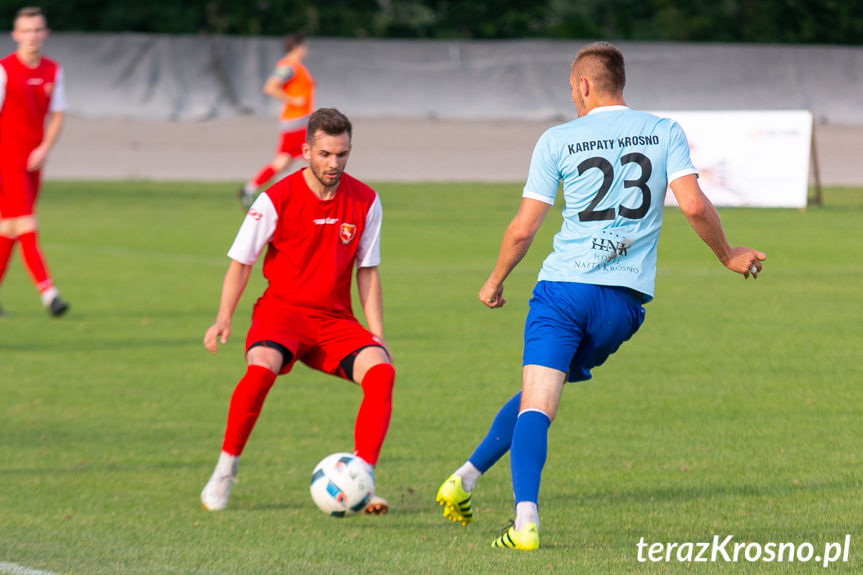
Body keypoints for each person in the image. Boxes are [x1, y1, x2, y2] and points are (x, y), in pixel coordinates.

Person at [435, 42, 766, 550]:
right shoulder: (663, 131)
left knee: (537, 405)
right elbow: (695, 206)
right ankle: (464, 479)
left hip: (563, 292)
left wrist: (495, 279)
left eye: (572, 88)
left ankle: (525, 521)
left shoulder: (557, 140)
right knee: (537, 396)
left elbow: (523, 229)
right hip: (622, 307)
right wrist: (726, 254)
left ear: (584, 85)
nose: (572, 96)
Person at [202, 108, 394, 515]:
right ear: (306, 150)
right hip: (281, 314)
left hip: (333, 320)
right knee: (260, 372)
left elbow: (368, 270)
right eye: (325, 154)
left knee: (381, 373)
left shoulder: (366, 201)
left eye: (341, 154)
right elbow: (241, 262)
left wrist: (376, 334)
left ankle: (361, 478)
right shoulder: (274, 198)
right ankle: (225, 469)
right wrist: (224, 317)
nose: (334, 163)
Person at [0, 6, 68, 317]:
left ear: (45, 33)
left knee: (9, 230)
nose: (32, 36)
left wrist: (44, 148)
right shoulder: (3, 70)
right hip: (6, 160)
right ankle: (49, 294)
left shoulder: (53, 70)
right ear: (15, 35)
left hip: (33, 163)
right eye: (26, 30)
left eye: (37, 30)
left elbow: (58, 114)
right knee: (26, 225)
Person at [238, 33, 314, 210]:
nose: (306, 50)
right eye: (305, 46)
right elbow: (270, 87)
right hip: (298, 123)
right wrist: (293, 100)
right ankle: (311, 199)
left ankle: (249, 189)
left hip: (297, 122)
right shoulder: (289, 66)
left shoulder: (296, 67)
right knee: (318, 158)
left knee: (283, 163)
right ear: (297, 47)